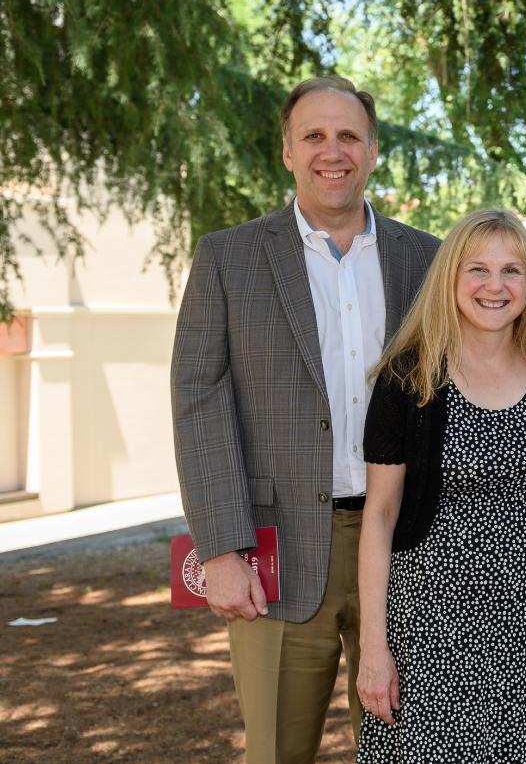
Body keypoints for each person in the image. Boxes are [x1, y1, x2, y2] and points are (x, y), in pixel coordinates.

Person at [171, 76, 439, 762]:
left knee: (404, 750)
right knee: (277, 751)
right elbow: (199, 402)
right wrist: (222, 547)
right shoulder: (228, 258)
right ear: (287, 150)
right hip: (277, 553)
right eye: (314, 135)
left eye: (348, 135)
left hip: (406, 548)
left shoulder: (430, 260)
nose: (333, 151)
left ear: (373, 150)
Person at [355, 208, 526, 762]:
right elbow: (380, 515)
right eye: (477, 270)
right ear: (450, 278)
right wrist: (373, 649)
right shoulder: (410, 377)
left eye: (512, 271)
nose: (495, 286)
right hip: (431, 625)